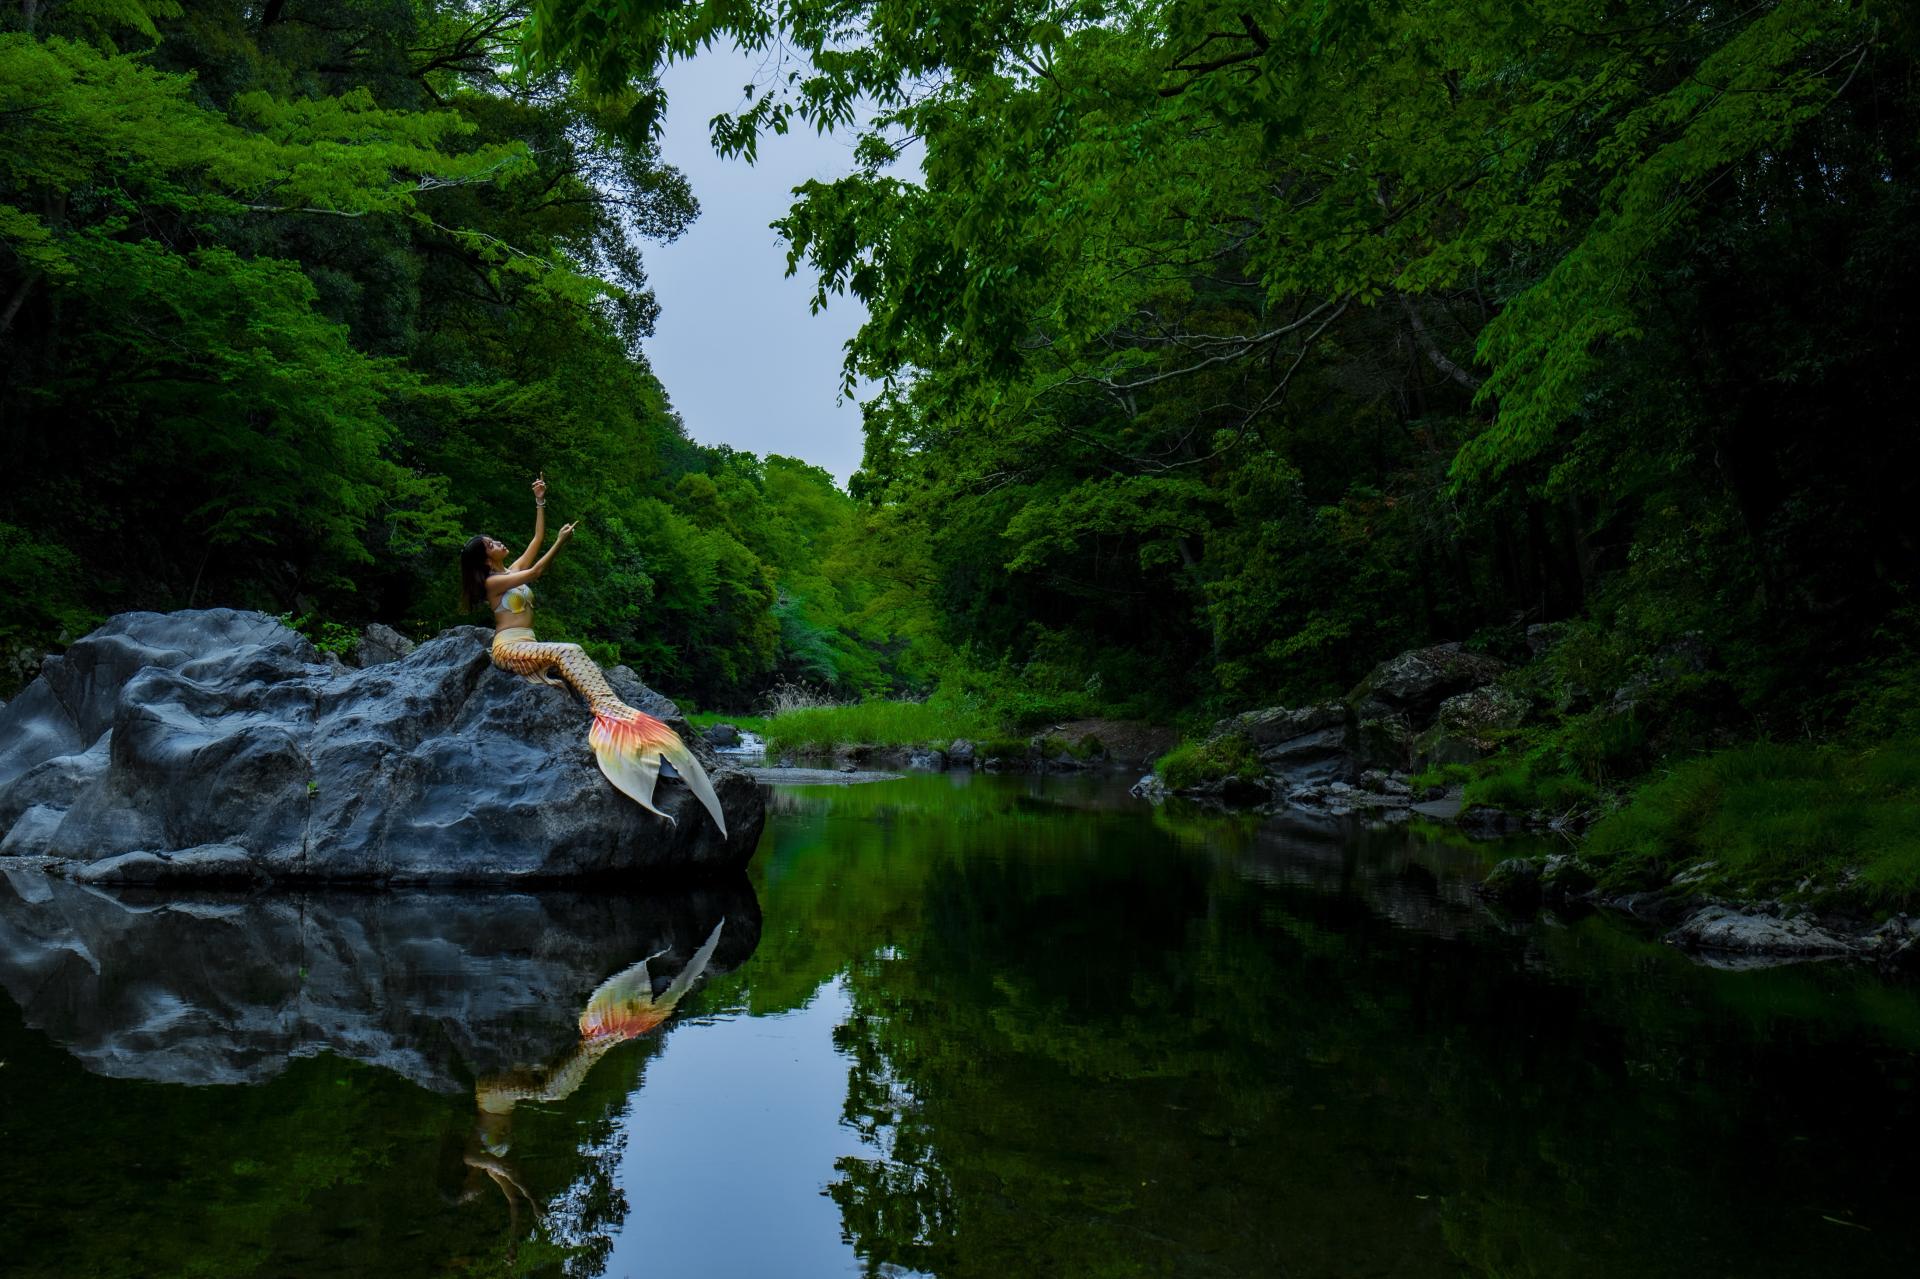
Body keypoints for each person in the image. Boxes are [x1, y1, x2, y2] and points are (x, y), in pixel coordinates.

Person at [458, 474, 726, 835]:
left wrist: (540, 501)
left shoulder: (511, 571)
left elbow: (535, 541)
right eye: (491, 543)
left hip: (530, 644)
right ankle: (608, 713)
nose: (498, 541)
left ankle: (616, 714)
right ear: (485, 559)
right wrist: (562, 543)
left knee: (570, 651)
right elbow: (538, 570)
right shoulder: (494, 583)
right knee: (569, 650)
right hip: (510, 646)